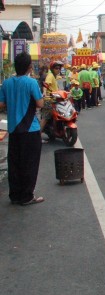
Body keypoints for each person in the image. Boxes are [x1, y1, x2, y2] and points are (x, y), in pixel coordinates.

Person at [0, 52, 45, 205]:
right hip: (30, 129)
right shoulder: (31, 83)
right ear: (29, 67)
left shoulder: (6, 83)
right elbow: (40, 104)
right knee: (30, 163)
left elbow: (1, 104)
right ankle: (27, 196)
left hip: (13, 129)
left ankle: (15, 195)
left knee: (15, 163)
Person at [40, 60, 64, 142]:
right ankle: (37, 137)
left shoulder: (54, 76)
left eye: (59, 68)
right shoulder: (50, 75)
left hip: (54, 100)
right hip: (49, 100)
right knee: (45, 118)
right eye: (56, 68)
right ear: (52, 69)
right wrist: (44, 92)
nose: (58, 70)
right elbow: (46, 85)